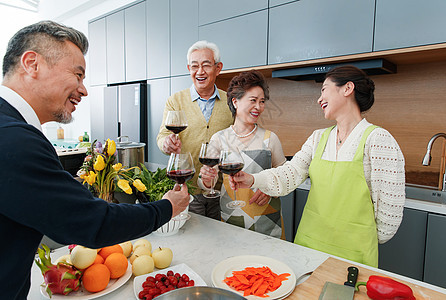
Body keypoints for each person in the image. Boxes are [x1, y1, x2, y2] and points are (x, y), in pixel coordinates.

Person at [0, 21, 189, 299]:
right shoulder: (13, 138)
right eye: (78, 75)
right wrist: (166, 208)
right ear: (32, 63)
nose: (84, 90)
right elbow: (92, 222)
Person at [231, 66, 405, 267]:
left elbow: (389, 215)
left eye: (324, 89)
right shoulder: (318, 138)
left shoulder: (378, 139)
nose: (319, 98)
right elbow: (291, 173)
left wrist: (361, 235)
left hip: (355, 254)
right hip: (309, 246)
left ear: (347, 88)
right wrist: (252, 179)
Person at [198, 70, 286, 238]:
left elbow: (285, 177)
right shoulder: (219, 139)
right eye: (253, 100)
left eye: (262, 101)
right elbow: (206, 182)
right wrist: (206, 179)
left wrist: (270, 190)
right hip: (231, 220)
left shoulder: (270, 139)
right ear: (235, 102)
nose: (258, 107)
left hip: (267, 222)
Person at [156, 40, 234, 220]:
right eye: (194, 66)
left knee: (219, 239)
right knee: (192, 238)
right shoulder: (175, 100)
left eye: (206, 65)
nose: (200, 71)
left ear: (218, 68)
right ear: (189, 68)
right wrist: (166, 144)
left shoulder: (230, 101)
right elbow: (162, 136)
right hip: (186, 186)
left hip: (221, 188)